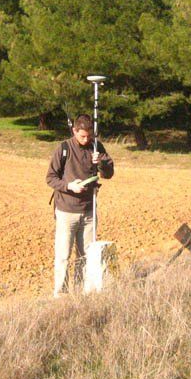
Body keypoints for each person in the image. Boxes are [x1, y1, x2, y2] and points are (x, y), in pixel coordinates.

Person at [46, 114, 114, 298]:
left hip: (89, 211)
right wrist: (69, 186)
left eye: (89, 136)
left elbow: (109, 173)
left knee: (86, 256)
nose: (86, 139)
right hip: (66, 211)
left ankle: (82, 293)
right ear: (74, 131)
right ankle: (61, 294)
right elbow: (50, 178)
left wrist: (100, 161)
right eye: (82, 136)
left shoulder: (96, 146)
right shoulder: (64, 148)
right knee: (63, 256)